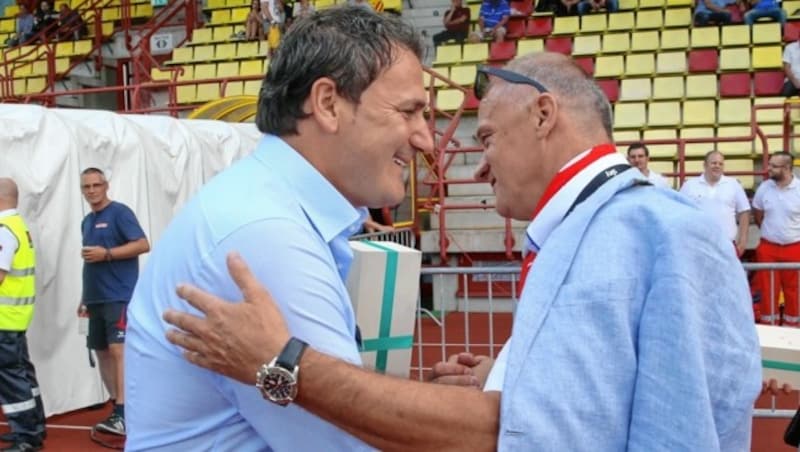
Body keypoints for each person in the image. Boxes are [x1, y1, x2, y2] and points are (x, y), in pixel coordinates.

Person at [163, 52, 762, 451]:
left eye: (490, 137)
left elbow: (678, 426)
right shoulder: (595, 229)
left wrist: (284, 362)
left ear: (545, 114)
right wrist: (510, 376)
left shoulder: (667, 231)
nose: (478, 162)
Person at [123, 7, 430, 451]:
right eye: (409, 112)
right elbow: (349, 443)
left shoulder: (262, 206)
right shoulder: (266, 235)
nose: (425, 137)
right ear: (327, 104)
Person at [78, 168, 149, 437]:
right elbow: (89, 262)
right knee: (102, 351)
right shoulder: (86, 221)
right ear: (82, 190)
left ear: (106, 185)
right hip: (95, 297)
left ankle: (125, 412)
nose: (92, 190)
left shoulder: (120, 213)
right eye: (87, 186)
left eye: (97, 185)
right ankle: (118, 407)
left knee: (119, 351)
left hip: (119, 295)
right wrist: (84, 297)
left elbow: (143, 244)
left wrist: (107, 253)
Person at [0, 178, 46, 452]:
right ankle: (35, 426)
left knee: (10, 376)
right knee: (23, 373)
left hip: (5, 318)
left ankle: (25, 434)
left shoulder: (4, 230)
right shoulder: (19, 227)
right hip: (17, 316)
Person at [752, 151, 800, 325]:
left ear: (786, 168)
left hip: (794, 247)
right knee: (767, 289)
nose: (768, 168)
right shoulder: (764, 188)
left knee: (794, 291)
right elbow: (758, 214)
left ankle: (793, 329)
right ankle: (769, 328)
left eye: (773, 166)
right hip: (768, 247)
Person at [679, 150, 750, 257]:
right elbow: (680, 213)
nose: (717, 166)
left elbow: (744, 211)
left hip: (727, 245)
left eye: (720, 164)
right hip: (698, 245)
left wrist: (743, 241)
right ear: (704, 165)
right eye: (713, 163)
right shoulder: (689, 185)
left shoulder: (734, 184)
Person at [782, 32, 800, 97]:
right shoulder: (789, 48)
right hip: (792, 80)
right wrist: (795, 81)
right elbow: (786, 67)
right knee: (786, 93)